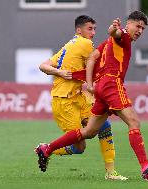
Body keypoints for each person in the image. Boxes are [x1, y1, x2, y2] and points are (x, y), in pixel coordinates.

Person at [35, 11, 148, 181]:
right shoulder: (122, 36)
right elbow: (115, 33)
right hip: (111, 84)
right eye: (137, 26)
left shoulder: (107, 42)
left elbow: (92, 59)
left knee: (90, 131)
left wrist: (90, 84)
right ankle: (145, 166)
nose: (140, 30)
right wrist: (113, 29)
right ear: (128, 24)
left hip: (100, 87)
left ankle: (47, 149)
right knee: (133, 122)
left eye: (143, 28)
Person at [35, 15, 127, 180]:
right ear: (79, 30)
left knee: (103, 125)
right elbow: (99, 64)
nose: (93, 33)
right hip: (64, 101)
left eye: (94, 29)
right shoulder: (85, 44)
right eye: (89, 29)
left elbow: (43, 65)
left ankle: (111, 172)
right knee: (79, 147)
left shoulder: (69, 45)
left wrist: (58, 71)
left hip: (78, 97)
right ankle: (45, 149)